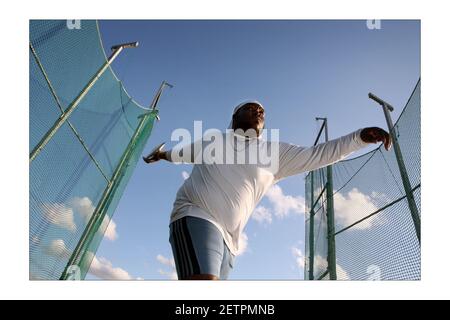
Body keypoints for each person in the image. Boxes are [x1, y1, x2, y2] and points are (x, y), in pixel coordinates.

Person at [144, 101, 391, 280]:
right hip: (196, 214)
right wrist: (161, 155)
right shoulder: (214, 140)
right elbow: (180, 154)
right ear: (234, 117)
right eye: (250, 108)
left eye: (261, 111)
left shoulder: (275, 154)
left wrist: (359, 138)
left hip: (230, 242)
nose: (257, 111)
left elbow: (319, 154)